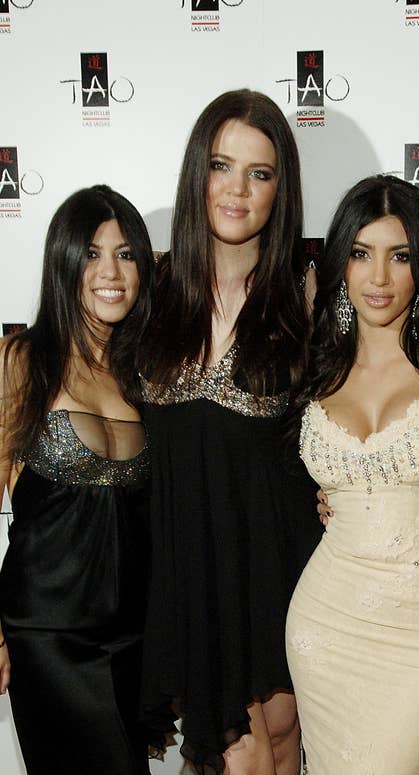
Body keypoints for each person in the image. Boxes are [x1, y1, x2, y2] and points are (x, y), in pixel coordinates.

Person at [139, 89, 322, 775]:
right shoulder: (149, 291)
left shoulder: (310, 300)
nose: (238, 189)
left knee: (280, 747)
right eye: (222, 165)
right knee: (238, 758)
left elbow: (412, 380)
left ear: (281, 189)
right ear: (197, 174)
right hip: (191, 566)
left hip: (284, 567)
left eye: (261, 172)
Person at [285, 174, 419, 774]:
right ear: (340, 263)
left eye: (399, 256)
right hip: (326, 620)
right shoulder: (315, 367)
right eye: (360, 254)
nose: (378, 278)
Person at [0, 185, 156, 774]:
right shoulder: (21, 361)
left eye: (126, 254)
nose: (110, 272)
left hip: (130, 637)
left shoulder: (144, 375)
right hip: (49, 637)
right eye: (92, 253)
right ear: (64, 261)